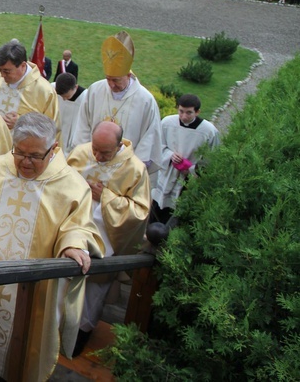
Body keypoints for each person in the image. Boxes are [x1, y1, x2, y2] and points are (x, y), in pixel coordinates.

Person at [0, 112, 104, 380]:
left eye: (35, 156)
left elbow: (78, 225)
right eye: (20, 152)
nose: (25, 161)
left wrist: (71, 245)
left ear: (54, 149)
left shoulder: (71, 186)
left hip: (28, 290)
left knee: (22, 341)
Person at [66, 121, 150, 356]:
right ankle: (59, 325)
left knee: (93, 292)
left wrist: (107, 197)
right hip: (71, 231)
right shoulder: (81, 152)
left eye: (105, 152)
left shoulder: (135, 169)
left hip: (105, 241)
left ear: (119, 145)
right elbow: (61, 182)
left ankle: (82, 331)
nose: (97, 156)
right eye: (95, 149)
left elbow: (140, 211)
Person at [71, 31, 163, 174]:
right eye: (108, 79)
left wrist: (132, 170)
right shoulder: (95, 90)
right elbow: (83, 125)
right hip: (91, 165)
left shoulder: (145, 100)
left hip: (124, 172)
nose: (111, 85)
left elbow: (149, 139)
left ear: (128, 74)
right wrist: (86, 158)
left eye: (116, 80)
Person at [151, 94, 220, 225]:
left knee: (180, 211)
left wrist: (192, 169)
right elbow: (157, 145)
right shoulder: (167, 123)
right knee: (159, 207)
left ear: (198, 112)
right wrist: (170, 155)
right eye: (181, 111)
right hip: (168, 173)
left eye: (189, 113)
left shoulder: (209, 131)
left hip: (190, 179)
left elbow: (213, 157)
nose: (183, 116)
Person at [0, 40, 60, 133]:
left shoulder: (44, 91)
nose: (1, 75)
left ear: (22, 65)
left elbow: (52, 129)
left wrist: (22, 122)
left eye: (6, 71)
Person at [55, 72, 86, 154]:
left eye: (67, 96)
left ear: (75, 87)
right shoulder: (53, 89)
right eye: (62, 97)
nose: (64, 99)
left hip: (74, 142)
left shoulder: (85, 98)